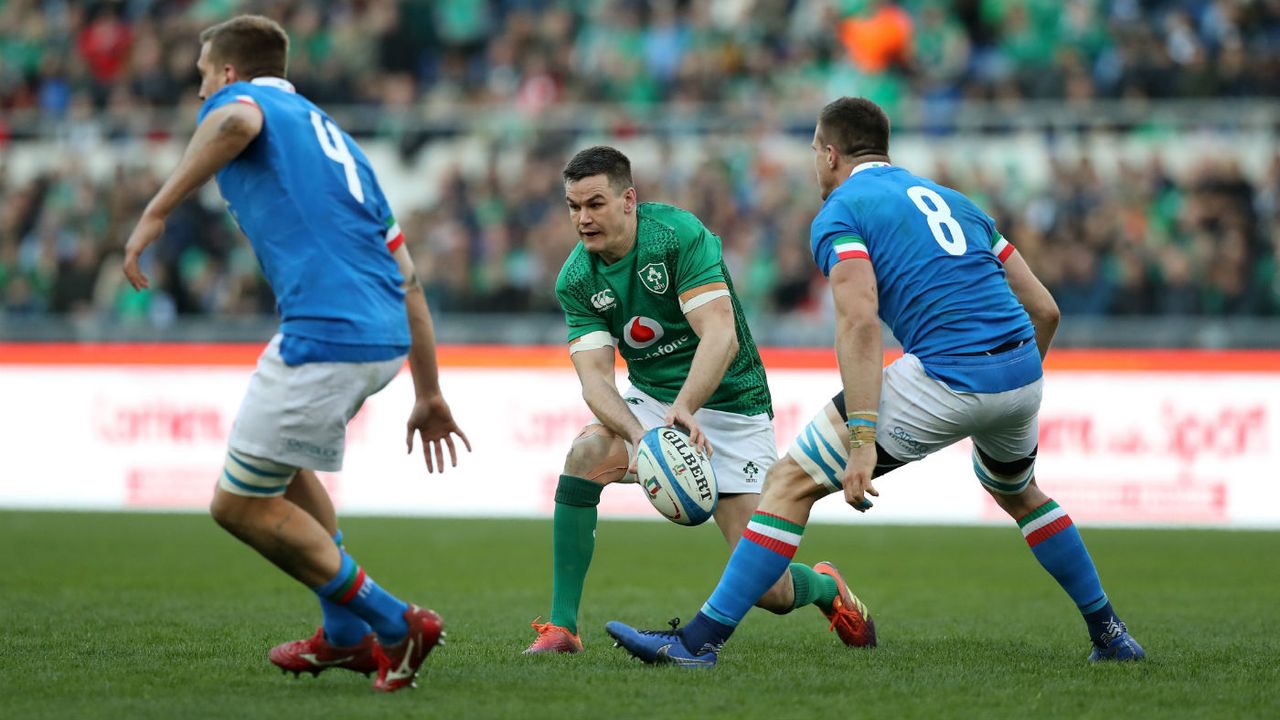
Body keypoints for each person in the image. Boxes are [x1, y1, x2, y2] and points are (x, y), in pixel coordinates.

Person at [606, 97, 1144, 666]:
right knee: (1019, 491)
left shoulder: (842, 211)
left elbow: (860, 319)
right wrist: (1007, 385)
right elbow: (1047, 310)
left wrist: (863, 440)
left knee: (789, 483)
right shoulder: (957, 203)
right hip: (1020, 371)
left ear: (832, 153)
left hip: (946, 372)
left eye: (815, 151)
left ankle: (696, 644)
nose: (815, 163)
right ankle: (1111, 634)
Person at [121, 15, 470, 692]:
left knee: (236, 505)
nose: (200, 93)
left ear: (226, 72)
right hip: (381, 338)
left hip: (326, 333)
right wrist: (428, 391)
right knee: (283, 475)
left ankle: (395, 623)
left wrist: (157, 210)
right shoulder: (338, 142)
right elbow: (412, 280)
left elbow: (233, 126)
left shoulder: (244, 103)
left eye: (201, 77)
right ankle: (342, 637)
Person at [523, 146, 875, 654]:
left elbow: (720, 337)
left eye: (595, 204)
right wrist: (644, 436)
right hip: (653, 405)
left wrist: (685, 408)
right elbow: (596, 381)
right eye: (573, 206)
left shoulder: (678, 237)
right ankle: (562, 628)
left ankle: (824, 586)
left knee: (771, 593)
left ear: (628, 200)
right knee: (584, 456)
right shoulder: (577, 279)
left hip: (734, 408)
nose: (583, 218)